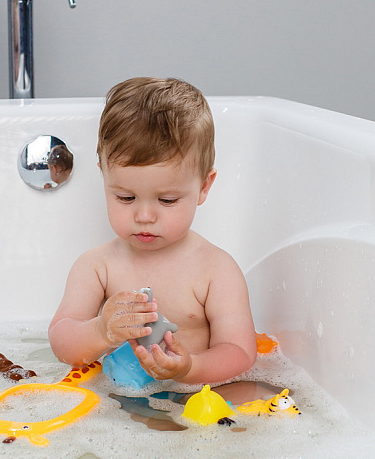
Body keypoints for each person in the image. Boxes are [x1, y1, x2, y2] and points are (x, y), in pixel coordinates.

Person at [48, 77, 257, 384]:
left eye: (167, 200)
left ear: (204, 187)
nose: (144, 216)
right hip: (116, 400)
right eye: (125, 197)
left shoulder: (216, 270)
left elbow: (240, 352)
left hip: (194, 395)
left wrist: (190, 368)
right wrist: (101, 331)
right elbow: (61, 342)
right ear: (104, 177)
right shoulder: (97, 266)